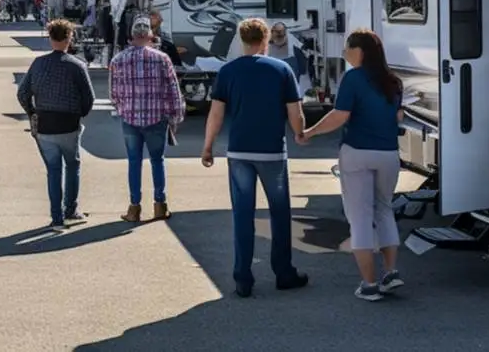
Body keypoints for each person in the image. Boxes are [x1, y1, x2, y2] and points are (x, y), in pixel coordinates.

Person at [200, 17, 308, 298]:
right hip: (272, 151)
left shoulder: (228, 71)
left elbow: (216, 114)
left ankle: (243, 278)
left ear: (241, 39)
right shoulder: (282, 70)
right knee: (280, 212)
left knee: (242, 215)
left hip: (239, 151)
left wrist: (208, 146)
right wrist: (299, 133)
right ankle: (283, 272)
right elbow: (295, 112)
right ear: (265, 40)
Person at [300, 28, 405, 301]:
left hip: (357, 152)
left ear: (359, 51)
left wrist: (309, 132)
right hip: (388, 154)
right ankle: (391, 272)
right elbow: (398, 117)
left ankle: (369, 284)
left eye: (347, 47)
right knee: (384, 209)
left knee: (359, 217)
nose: (344, 52)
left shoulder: (353, 78)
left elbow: (339, 116)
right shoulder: (394, 81)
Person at [17, 19, 96, 229]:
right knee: (73, 165)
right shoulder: (77, 65)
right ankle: (71, 209)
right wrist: (81, 114)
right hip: (69, 122)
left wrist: (32, 112)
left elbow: (23, 93)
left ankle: (56, 216)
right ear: (69, 38)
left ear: (50, 39)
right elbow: (89, 97)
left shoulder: (38, 64)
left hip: (45, 123)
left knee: (53, 169)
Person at [109, 18, 184, 223]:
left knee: (134, 162)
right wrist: (176, 116)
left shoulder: (118, 60)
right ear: (150, 36)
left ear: (132, 36)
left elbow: (114, 93)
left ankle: (134, 208)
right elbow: (173, 90)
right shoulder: (162, 58)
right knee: (157, 161)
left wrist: (123, 108)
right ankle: (160, 205)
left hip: (130, 118)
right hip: (157, 118)